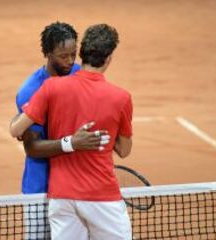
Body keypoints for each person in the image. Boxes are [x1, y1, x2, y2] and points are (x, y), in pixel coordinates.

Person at [10, 24, 133, 240]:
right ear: (47, 54)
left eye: (73, 55)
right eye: (63, 56)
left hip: (72, 187)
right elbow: (31, 147)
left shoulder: (77, 74)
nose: (69, 62)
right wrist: (72, 143)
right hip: (41, 186)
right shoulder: (31, 90)